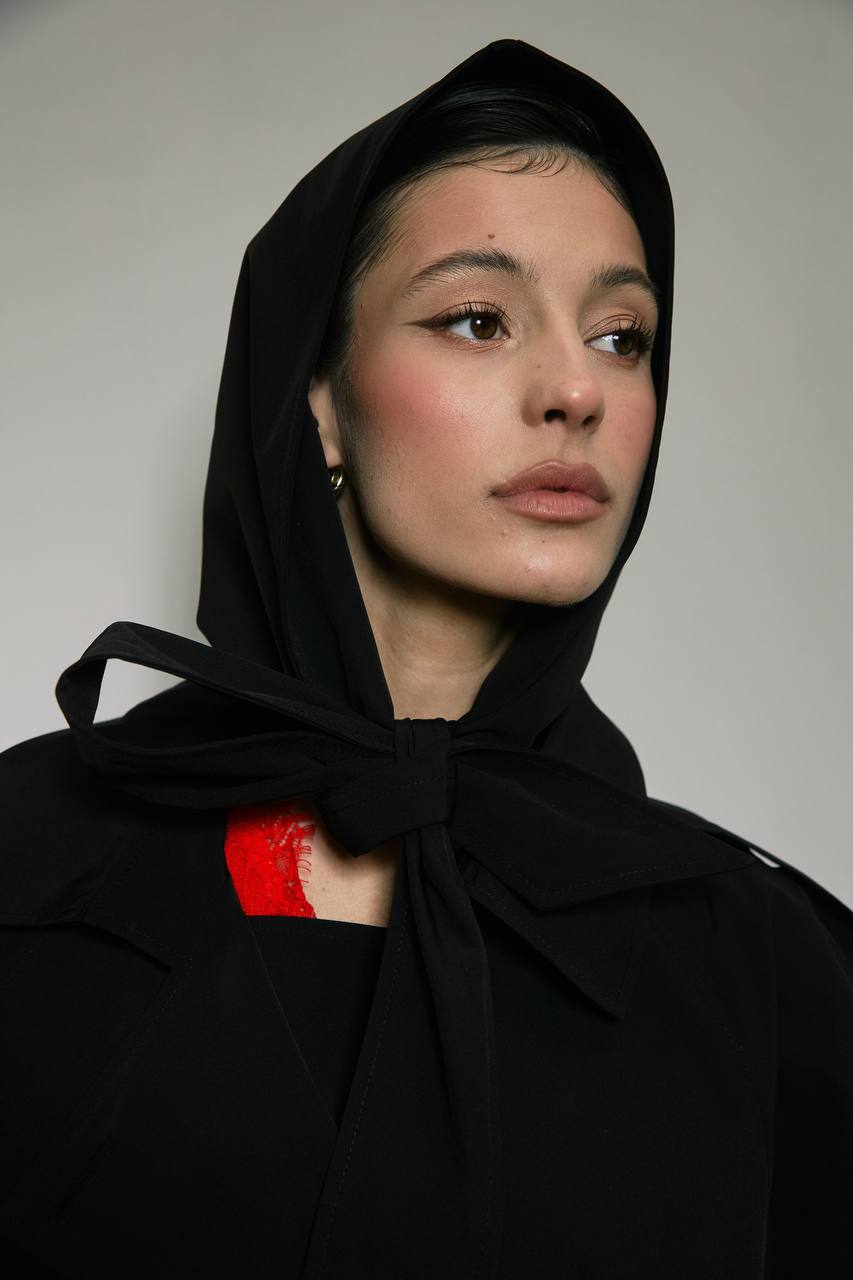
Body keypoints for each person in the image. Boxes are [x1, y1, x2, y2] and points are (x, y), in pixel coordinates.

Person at [1, 36, 851, 1280]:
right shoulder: (29, 860)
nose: (576, 389)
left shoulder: (769, 964)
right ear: (318, 398)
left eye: (622, 336)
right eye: (477, 319)